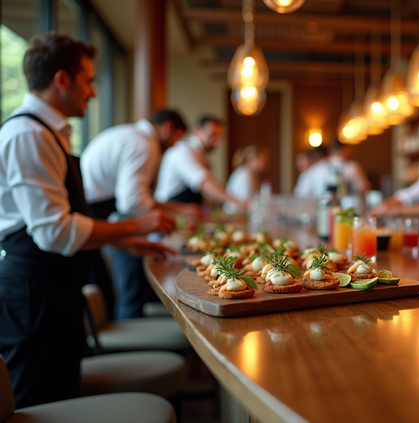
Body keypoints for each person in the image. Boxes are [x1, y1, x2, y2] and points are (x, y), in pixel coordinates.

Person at [0, 33, 174, 409]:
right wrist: (135, 225)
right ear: (62, 80)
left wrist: (121, 241)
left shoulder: (48, 133)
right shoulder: (28, 134)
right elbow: (55, 232)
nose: (93, 92)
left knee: (60, 397)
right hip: (34, 295)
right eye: (89, 81)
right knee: (38, 406)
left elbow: (64, 222)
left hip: (53, 288)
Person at [81, 109, 198, 319]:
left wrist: (175, 210)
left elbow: (137, 197)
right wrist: (162, 219)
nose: (173, 145)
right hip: (93, 220)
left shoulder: (132, 135)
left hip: (96, 216)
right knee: (129, 295)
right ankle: (126, 342)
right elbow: (132, 201)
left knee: (123, 292)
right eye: (176, 138)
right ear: (168, 128)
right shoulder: (143, 144)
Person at [154, 115, 248, 209]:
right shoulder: (183, 150)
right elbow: (204, 183)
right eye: (212, 135)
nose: (217, 142)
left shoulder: (203, 157)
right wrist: (237, 202)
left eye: (219, 137)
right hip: (167, 210)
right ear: (197, 130)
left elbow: (207, 194)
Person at [294, 139, 371, 199]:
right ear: (345, 150)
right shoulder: (353, 166)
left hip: (321, 212)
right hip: (347, 213)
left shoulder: (315, 168)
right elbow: (364, 189)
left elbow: (300, 194)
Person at [225, 145, 270, 213]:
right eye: (263, 160)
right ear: (253, 159)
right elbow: (244, 202)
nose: (267, 163)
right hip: (234, 214)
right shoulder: (243, 175)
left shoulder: (254, 175)